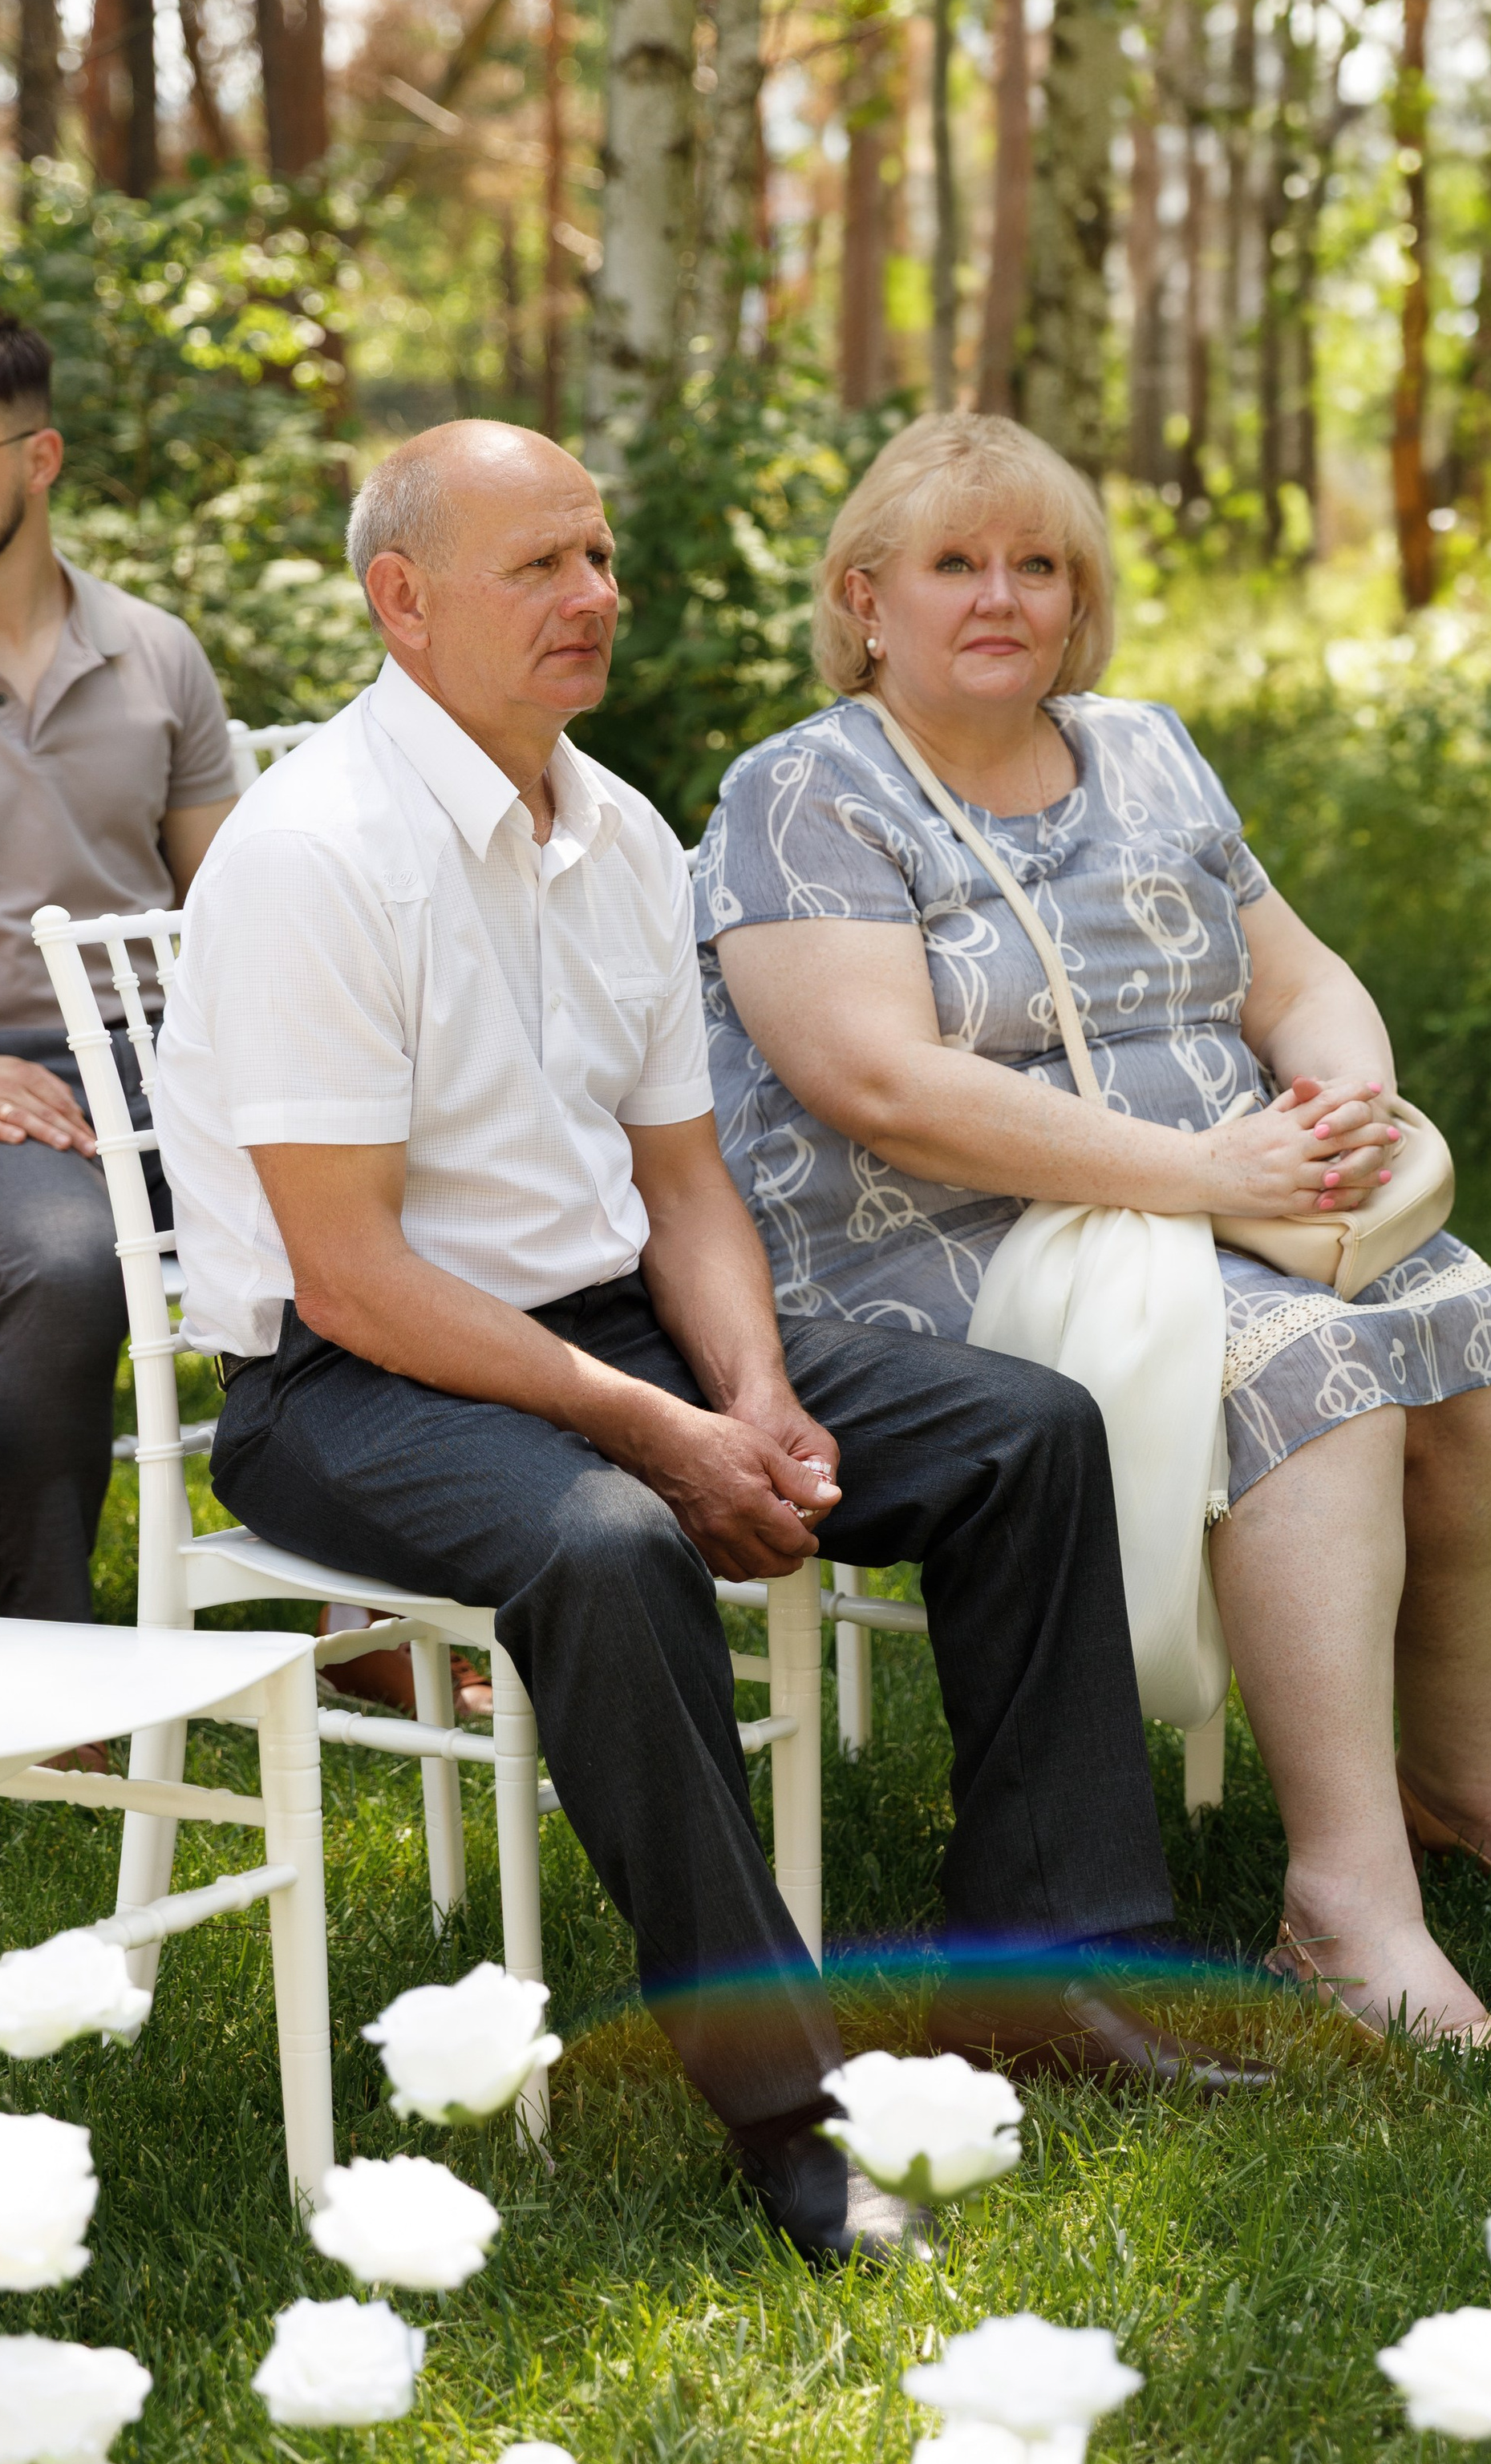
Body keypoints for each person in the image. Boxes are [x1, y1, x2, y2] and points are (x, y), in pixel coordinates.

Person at [154, 418, 1268, 2268]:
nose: (595, 597)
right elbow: (344, 1276)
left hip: (612, 1333)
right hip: (346, 1387)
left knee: (1022, 1429)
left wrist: (749, 1391)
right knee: (608, 1542)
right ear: (401, 600)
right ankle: (797, 2122)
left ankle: (1046, 1975)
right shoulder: (317, 853)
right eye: (543, 567)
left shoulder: (617, 831)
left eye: (598, 558)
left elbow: (683, 1183)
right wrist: (664, 1444)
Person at [696, 411, 1491, 2056]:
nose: (1001, 597)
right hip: (937, 1253)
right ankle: (1342, 1907)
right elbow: (877, 1084)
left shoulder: (1143, 749)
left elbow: (1301, 979)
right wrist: (1210, 1179)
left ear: (1079, 596)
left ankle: (1457, 1782)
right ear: (862, 599)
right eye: (952, 563)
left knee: (1485, 1359)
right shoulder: (802, 790)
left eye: (1037, 563)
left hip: (1221, 1198)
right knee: (1317, 1367)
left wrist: (1342, 1106)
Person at [0, 298, 238, 1619]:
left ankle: (363, 1614)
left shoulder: (155, 651)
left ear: (37, 460)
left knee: (393, 1205)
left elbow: (224, 906)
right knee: (72, 1263)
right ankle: (52, 1642)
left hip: (165, 1068)